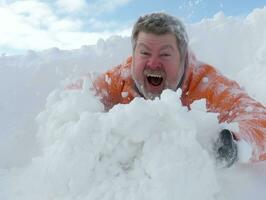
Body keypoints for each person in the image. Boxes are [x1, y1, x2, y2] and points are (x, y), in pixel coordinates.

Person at [67, 12, 266, 167]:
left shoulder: (205, 84)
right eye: (144, 52)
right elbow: (75, 97)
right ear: (134, 55)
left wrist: (234, 142)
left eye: (165, 54)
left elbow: (258, 118)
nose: (153, 63)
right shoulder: (121, 78)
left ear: (183, 58)